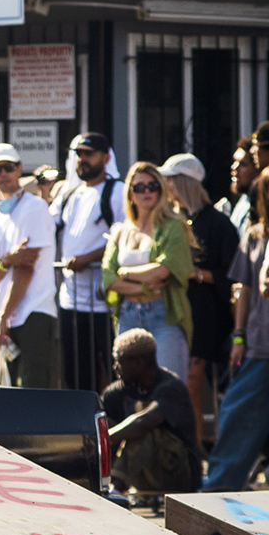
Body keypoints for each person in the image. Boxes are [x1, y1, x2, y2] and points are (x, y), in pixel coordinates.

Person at [203, 160, 269, 490]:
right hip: (259, 339)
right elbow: (247, 288)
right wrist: (238, 335)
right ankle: (217, 491)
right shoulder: (255, 235)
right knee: (239, 416)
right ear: (264, 192)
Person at [102, 160, 194, 392]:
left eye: (153, 186)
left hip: (164, 316)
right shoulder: (120, 231)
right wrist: (144, 287)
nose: (146, 192)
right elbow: (108, 280)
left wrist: (127, 273)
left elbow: (165, 270)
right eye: (139, 187)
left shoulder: (173, 225)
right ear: (130, 193)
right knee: (131, 392)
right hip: (128, 316)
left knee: (169, 391)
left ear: (161, 190)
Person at [161, 153, 238, 423]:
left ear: (182, 183)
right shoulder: (171, 222)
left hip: (207, 316)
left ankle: (195, 457)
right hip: (178, 312)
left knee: (189, 386)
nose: (164, 187)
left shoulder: (218, 223)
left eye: (169, 181)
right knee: (177, 386)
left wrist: (197, 274)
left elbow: (234, 274)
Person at [0, 143, 60, 388]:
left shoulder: (35, 207)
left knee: (33, 395)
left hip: (33, 313)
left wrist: (4, 317)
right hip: (3, 320)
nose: (3, 174)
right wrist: (7, 260)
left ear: (19, 169)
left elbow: (26, 267)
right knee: (0, 397)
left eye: (8, 167)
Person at [51, 132, 120, 393]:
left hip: (105, 304)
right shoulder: (69, 196)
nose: (82, 160)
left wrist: (88, 259)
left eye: (88, 154)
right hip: (71, 302)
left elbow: (125, 238)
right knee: (77, 375)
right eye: (78, 154)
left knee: (117, 374)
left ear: (106, 157)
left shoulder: (118, 192)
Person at [102, 328, 203, 497]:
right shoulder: (116, 393)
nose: (115, 368)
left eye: (119, 362)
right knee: (105, 425)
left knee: (142, 430)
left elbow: (145, 422)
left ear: (139, 362)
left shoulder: (171, 387)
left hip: (179, 475)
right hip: (146, 474)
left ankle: (117, 488)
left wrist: (103, 437)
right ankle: (101, 485)